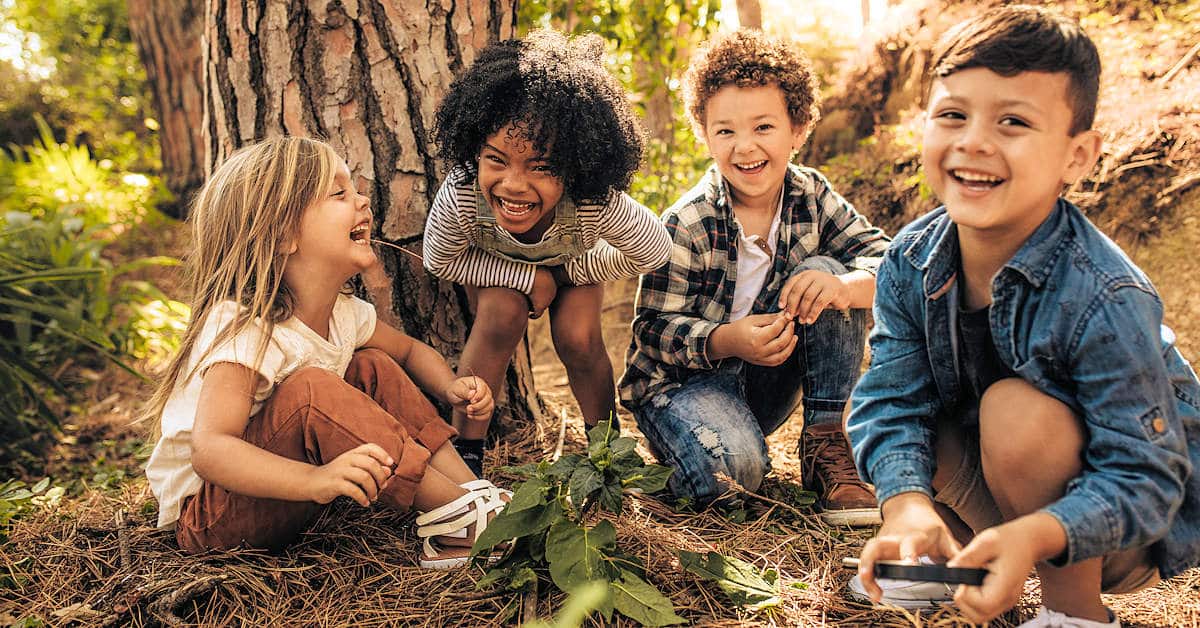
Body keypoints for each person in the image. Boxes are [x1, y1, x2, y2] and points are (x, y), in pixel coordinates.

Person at [847, 6, 1200, 625]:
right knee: (914, 415)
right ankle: (948, 561)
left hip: (1118, 524)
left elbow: (1147, 476)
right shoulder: (909, 259)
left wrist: (1037, 534)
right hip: (1006, 494)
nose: (974, 141)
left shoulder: (1105, 293)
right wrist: (905, 505)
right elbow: (890, 400)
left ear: (1077, 157)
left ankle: (1075, 611)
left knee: (1015, 412)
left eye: (1013, 121)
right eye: (953, 114)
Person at [142, 137, 509, 569]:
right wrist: (315, 480)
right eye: (339, 193)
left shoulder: (344, 313)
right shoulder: (245, 327)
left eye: (353, 189)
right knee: (312, 388)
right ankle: (459, 520)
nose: (362, 201)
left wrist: (449, 386)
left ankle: (468, 494)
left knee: (371, 365)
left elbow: (408, 352)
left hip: (281, 492)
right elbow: (211, 450)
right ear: (282, 234)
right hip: (213, 516)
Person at [618, 29, 891, 526]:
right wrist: (726, 340)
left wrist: (846, 287)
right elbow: (651, 329)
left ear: (799, 128)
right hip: (682, 388)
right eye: (725, 131)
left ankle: (826, 442)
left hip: (765, 382)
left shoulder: (812, 195)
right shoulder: (688, 221)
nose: (745, 147)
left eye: (763, 126)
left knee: (826, 274)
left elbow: (890, 261)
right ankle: (695, 452)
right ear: (705, 135)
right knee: (736, 475)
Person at [423, 30, 672, 476]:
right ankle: (466, 460)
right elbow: (440, 260)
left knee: (578, 338)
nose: (514, 184)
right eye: (496, 159)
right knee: (500, 315)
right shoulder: (462, 194)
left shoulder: (593, 200)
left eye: (541, 167)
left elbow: (653, 249)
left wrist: (568, 272)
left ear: (577, 167)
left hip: (574, 268)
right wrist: (525, 278)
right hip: (498, 272)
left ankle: (606, 454)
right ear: (475, 151)